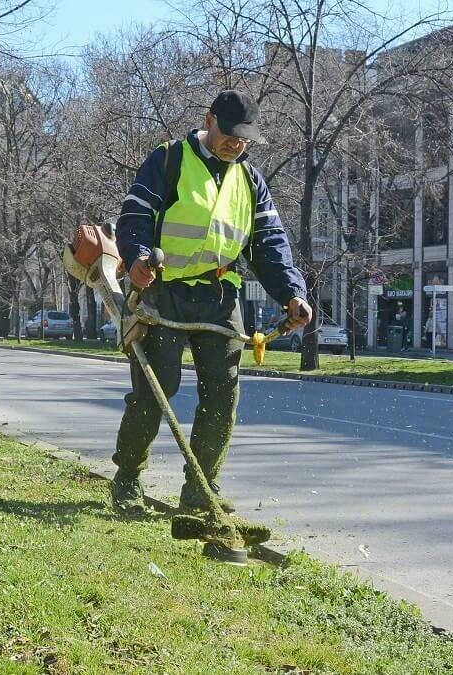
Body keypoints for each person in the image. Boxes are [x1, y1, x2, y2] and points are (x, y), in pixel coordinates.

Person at [112, 90, 312, 515]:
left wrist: (293, 293)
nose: (235, 144)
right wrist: (138, 258)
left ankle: (201, 487)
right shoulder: (169, 159)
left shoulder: (250, 181)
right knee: (155, 390)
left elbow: (270, 245)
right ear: (209, 120)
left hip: (219, 296)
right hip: (163, 292)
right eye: (229, 135)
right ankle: (128, 476)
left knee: (222, 395)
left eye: (244, 139)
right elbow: (135, 216)